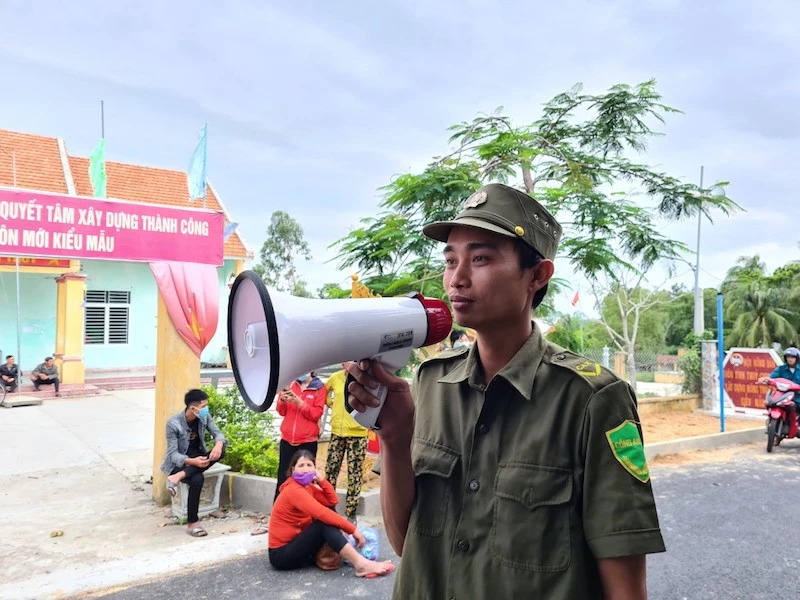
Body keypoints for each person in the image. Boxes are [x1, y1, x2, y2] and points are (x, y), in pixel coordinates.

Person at [346, 183, 666, 599]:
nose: (457, 278)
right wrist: (394, 435)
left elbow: (625, 587)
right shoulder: (429, 383)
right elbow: (408, 543)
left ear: (537, 275)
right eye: (450, 260)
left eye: (480, 258)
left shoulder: (592, 399)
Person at [267, 449, 395, 578]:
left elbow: (332, 501)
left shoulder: (307, 487)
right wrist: (353, 529)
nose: (305, 470)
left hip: (296, 542)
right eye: (301, 466)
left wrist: (321, 480)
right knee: (323, 523)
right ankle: (361, 564)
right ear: (293, 469)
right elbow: (322, 513)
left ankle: (357, 560)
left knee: (328, 518)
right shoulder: (293, 490)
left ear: (315, 469)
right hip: (281, 555)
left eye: (309, 465)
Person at [160, 388, 227, 538]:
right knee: (197, 478)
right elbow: (173, 455)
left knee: (222, 451)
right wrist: (192, 462)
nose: (206, 409)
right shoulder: (173, 423)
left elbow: (217, 433)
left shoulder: (204, 417)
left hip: (197, 460)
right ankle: (193, 524)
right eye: (204, 406)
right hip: (179, 463)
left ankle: (177, 477)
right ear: (193, 409)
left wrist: (218, 444)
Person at [323, 362, 369, 524]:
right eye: (345, 360)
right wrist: (331, 404)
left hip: (358, 433)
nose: (347, 363)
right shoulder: (335, 378)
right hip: (337, 431)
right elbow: (323, 393)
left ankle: (351, 513)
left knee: (354, 474)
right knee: (331, 471)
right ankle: (328, 508)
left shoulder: (364, 379)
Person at [274, 372, 327, 501]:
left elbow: (316, 414)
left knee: (306, 477)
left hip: (307, 441)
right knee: (283, 477)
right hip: (287, 439)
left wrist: (300, 403)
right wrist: (282, 400)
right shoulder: (290, 383)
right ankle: (280, 508)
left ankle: (305, 508)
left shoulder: (319, 387)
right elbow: (281, 411)